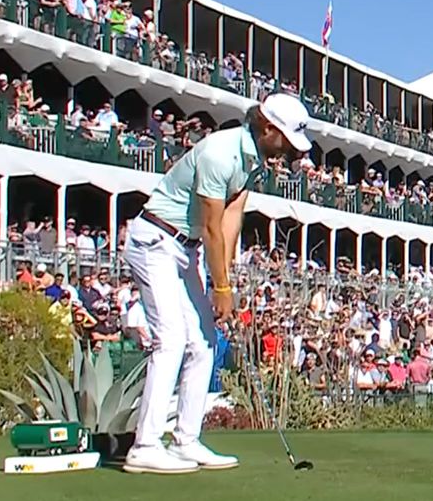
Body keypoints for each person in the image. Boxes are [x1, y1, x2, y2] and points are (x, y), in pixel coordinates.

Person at [121, 94, 311, 475]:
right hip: (155, 240)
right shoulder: (220, 153)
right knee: (171, 339)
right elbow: (210, 225)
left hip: (185, 249)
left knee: (204, 342)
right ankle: (144, 446)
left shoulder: (254, 161)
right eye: (287, 139)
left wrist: (223, 281)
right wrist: (220, 287)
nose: (290, 149)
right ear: (268, 127)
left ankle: (186, 440)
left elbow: (231, 219)